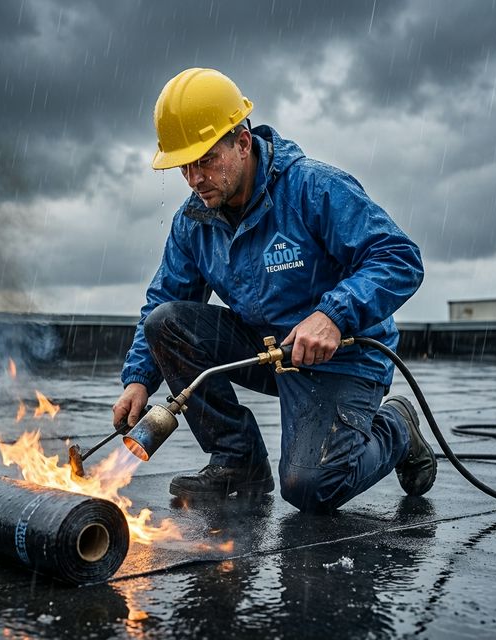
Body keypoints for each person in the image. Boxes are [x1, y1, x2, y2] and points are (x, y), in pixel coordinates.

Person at [112, 67, 437, 512]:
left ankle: (397, 426)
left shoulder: (314, 187)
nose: (194, 177)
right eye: (184, 165)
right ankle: (237, 461)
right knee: (165, 322)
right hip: (271, 351)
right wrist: (137, 380)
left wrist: (333, 315)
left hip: (346, 355)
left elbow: (400, 258)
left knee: (312, 487)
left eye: (205, 160)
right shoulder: (195, 221)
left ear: (242, 142)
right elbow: (167, 294)